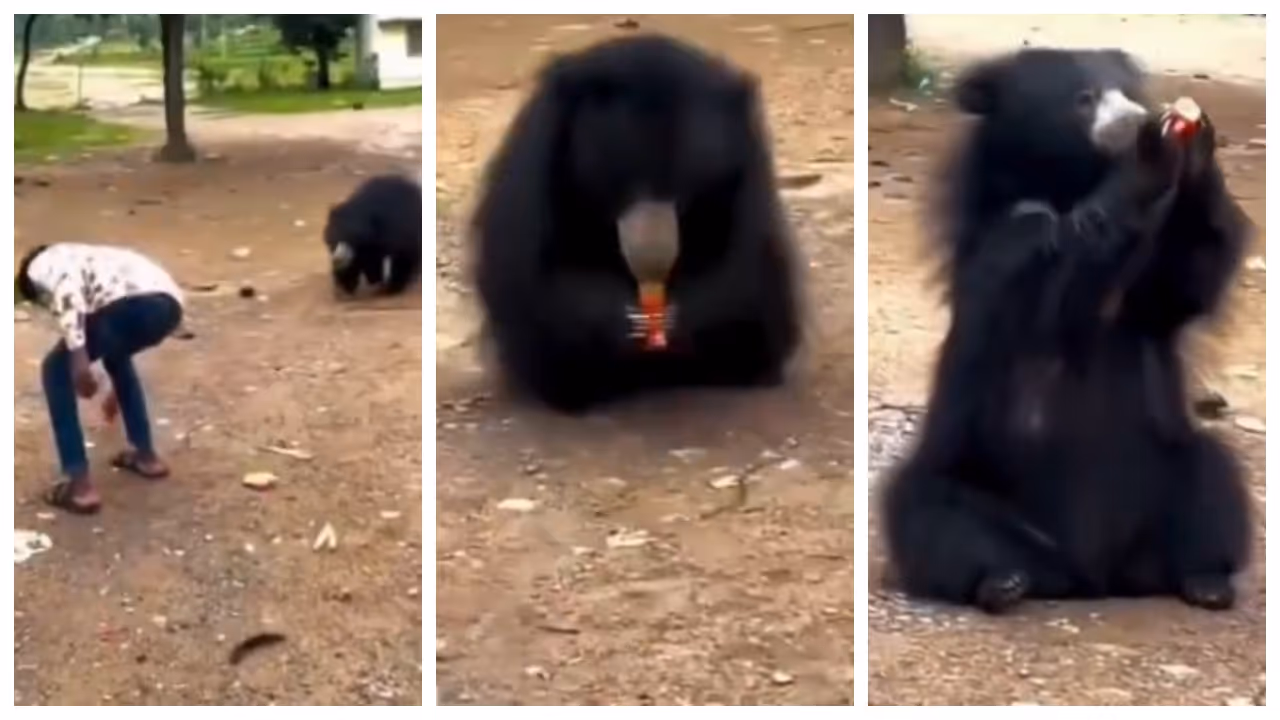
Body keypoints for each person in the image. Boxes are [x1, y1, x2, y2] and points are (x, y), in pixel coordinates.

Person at [15, 243, 186, 515]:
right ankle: (146, 456)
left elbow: (67, 289)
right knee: (116, 355)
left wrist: (79, 359)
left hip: (129, 305)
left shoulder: (43, 263)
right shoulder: (90, 256)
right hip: (169, 308)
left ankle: (79, 486)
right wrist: (117, 393)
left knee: (55, 369)